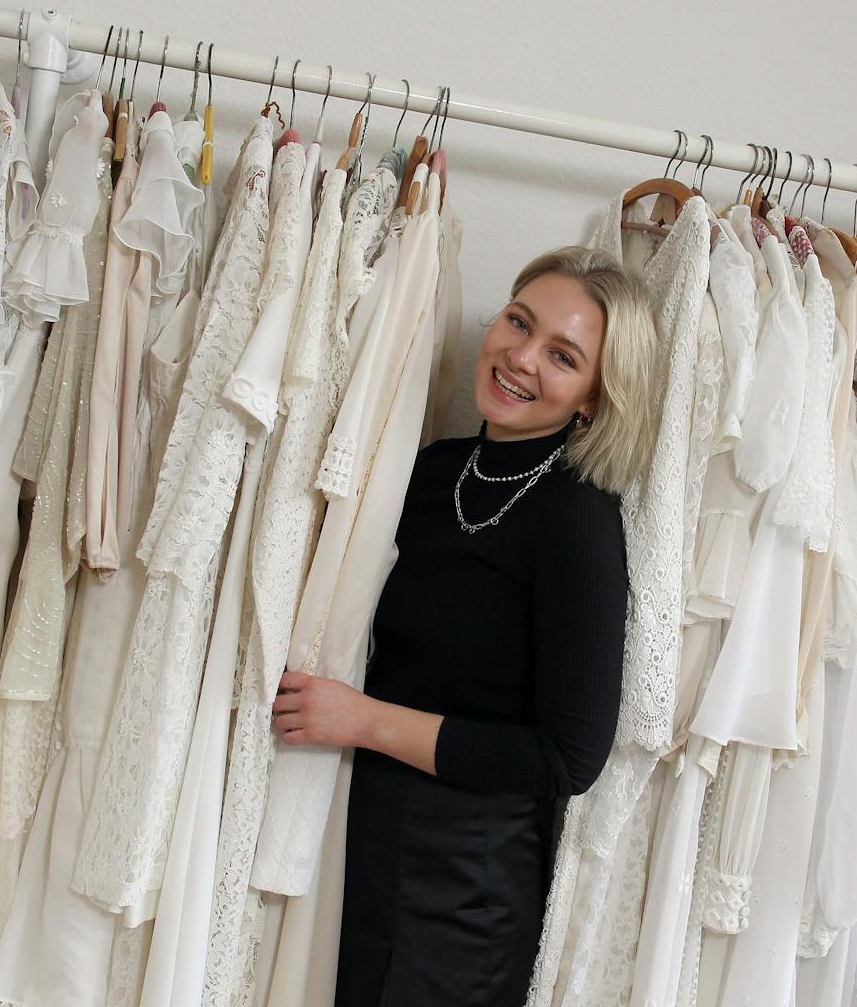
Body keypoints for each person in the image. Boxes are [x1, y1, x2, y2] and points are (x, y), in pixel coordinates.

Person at [272, 246, 660, 1006]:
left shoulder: (579, 522)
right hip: (361, 828)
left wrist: (362, 720)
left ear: (592, 398)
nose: (519, 358)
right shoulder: (432, 468)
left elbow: (567, 758)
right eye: (518, 322)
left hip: (469, 876)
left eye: (562, 355)